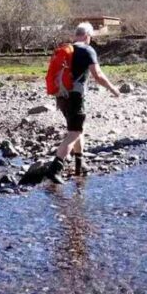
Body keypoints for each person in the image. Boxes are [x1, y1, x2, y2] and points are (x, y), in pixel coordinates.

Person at [46, 23, 120, 184]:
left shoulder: (66, 50)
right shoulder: (87, 50)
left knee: (78, 129)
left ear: (76, 35)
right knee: (74, 133)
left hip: (61, 96)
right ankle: (55, 168)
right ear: (88, 36)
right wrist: (114, 90)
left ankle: (79, 165)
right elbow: (98, 75)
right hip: (75, 97)